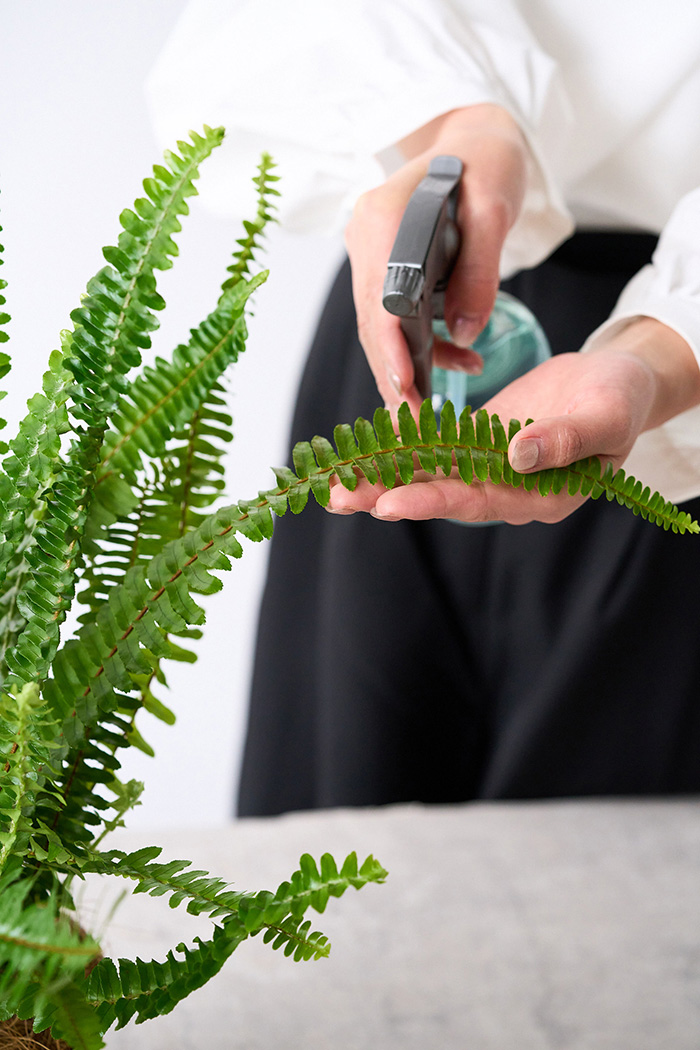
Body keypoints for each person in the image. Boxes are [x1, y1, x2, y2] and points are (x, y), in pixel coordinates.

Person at [149, 0, 700, 815]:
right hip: (406, 316)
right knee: (332, 845)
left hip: (672, 415)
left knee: (604, 890)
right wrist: (464, 127)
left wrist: (659, 356)